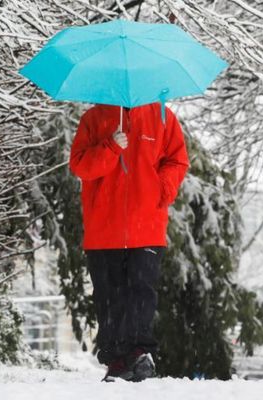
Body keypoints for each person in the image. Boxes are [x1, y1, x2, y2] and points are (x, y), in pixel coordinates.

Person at [69, 102, 190, 382]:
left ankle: (138, 352)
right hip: (104, 229)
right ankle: (118, 359)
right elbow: (81, 166)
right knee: (109, 297)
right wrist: (110, 146)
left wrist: (163, 189)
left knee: (141, 293)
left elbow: (177, 160)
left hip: (147, 226)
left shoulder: (162, 117)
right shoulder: (94, 118)